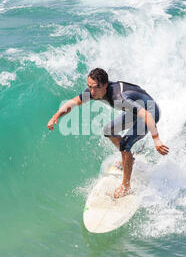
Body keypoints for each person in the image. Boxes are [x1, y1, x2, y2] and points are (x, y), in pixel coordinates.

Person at [47, 68, 169, 198]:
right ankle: (129, 158)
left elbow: (146, 115)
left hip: (150, 113)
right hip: (135, 111)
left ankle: (126, 186)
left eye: (96, 87)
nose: (92, 92)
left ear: (105, 85)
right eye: (89, 87)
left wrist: (156, 139)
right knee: (108, 131)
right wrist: (56, 115)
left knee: (125, 144)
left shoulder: (119, 97)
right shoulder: (93, 92)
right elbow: (73, 103)